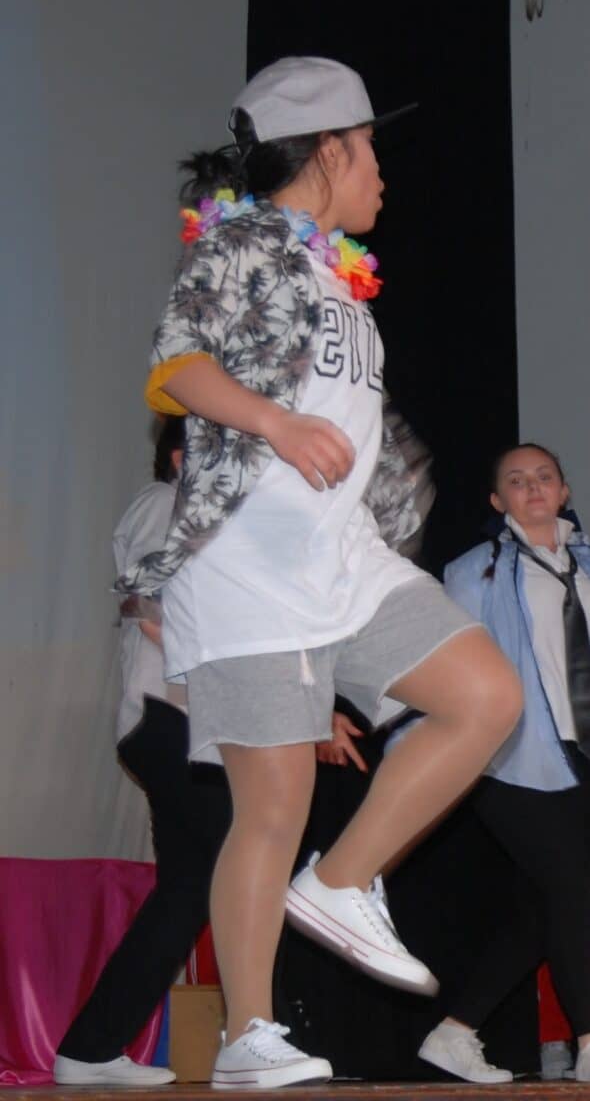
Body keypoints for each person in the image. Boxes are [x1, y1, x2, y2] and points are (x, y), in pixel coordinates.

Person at [116, 55, 522, 1090]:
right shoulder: (244, 242)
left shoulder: (338, 274)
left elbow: (345, 418)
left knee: (484, 695)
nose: (382, 169)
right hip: (247, 566)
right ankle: (249, 1035)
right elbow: (175, 363)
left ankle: (341, 883)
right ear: (331, 149)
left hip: (341, 563)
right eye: (371, 147)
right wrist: (275, 423)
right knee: (271, 807)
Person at [54, 416, 232, 1086]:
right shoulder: (163, 503)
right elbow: (149, 610)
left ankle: (89, 1048)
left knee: (189, 892)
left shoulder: (208, 523)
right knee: (249, 861)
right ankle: (262, 1035)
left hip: (189, 725)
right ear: (183, 457)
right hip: (167, 718)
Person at [416, 443, 590, 1084]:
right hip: (511, 758)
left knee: (541, 909)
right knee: (576, 889)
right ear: (498, 500)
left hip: (582, 757)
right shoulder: (474, 572)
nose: (533, 487)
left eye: (545, 477)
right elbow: (438, 662)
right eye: (517, 481)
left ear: (564, 491)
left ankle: (454, 1032)